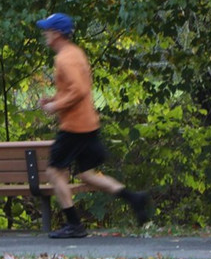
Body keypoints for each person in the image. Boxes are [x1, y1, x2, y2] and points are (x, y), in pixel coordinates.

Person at [36, 12, 150, 238]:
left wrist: (55, 107)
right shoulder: (76, 53)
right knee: (87, 174)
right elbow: (76, 87)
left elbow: (79, 90)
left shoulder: (63, 59)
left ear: (57, 33)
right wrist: (54, 98)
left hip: (74, 127)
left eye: (47, 30)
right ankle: (135, 198)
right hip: (88, 123)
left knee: (54, 172)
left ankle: (74, 225)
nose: (45, 35)